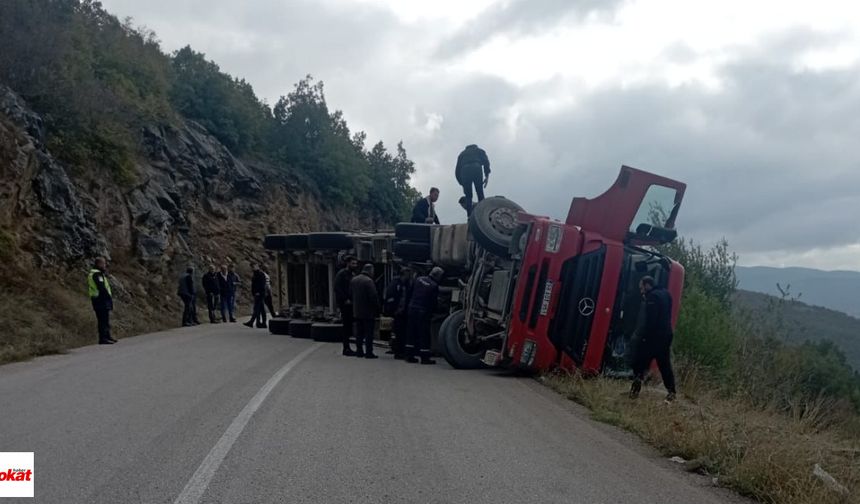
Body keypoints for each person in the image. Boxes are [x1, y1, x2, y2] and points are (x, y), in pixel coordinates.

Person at [629, 276, 677, 402]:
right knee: (665, 365)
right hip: (667, 335)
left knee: (640, 362)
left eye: (641, 288)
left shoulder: (652, 298)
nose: (641, 291)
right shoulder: (666, 293)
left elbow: (650, 321)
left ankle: (634, 391)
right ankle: (672, 392)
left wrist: (643, 337)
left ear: (647, 285)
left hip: (654, 337)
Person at [405, 267, 443, 365]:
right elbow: (433, 302)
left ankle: (409, 355)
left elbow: (409, 292)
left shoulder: (418, 279)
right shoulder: (434, 286)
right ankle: (425, 358)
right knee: (424, 334)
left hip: (412, 308)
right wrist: (434, 312)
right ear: (437, 276)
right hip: (423, 311)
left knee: (411, 332)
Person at [350, 263, 380, 359]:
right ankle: (369, 352)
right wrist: (377, 308)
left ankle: (359, 351)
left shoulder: (354, 280)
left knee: (359, 333)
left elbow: (350, 293)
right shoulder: (369, 281)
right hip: (368, 312)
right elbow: (373, 296)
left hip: (357, 311)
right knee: (369, 334)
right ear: (370, 271)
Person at [384, 266, 413, 359]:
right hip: (397, 312)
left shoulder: (406, 284)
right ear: (404, 274)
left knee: (402, 333)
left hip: (404, 312)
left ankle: (401, 350)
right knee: (398, 332)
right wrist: (392, 310)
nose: (409, 276)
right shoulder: (395, 283)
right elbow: (391, 297)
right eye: (408, 274)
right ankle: (398, 351)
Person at [455, 144, 491, 216]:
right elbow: (486, 162)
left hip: (464, 171)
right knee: (480, 193)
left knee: (468, 196)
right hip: (476, 168)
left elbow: (457, 171)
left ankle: (469, 216)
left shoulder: (462, 154)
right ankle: (483, 214)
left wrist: (462, 183)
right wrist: (487, 175)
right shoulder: (479, 150)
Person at [88, 257, 116, 345]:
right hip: (100, 299)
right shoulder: (97, 274)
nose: (105, 265)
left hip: (99, 299)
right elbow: (101, 287)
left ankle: (107, 336)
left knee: (105, 319)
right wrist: (107, 297)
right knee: (102, 319)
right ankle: (103, 338)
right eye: (104, 264)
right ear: (99, 264)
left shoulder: (97, 274)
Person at [334, 256, 359, 356]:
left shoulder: (353, 274)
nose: (355, 265)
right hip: (345, 304)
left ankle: (351, 347)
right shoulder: (341, 274)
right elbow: (337, 288)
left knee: (350, 326)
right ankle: (346, 348)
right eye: (353, 263)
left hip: (352, 303)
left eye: (355, 263)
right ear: (348, 263)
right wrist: (345, 299)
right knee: (346, 326)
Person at [244, 264, 268, 328]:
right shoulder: (255, 274)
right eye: (252, 267)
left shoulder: (260, 274)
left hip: (259, 294)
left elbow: (261, 284)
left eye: (254, 267)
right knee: (261, 309)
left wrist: (258, 292)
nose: (253, 268)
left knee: (256, 308)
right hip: (257, 293)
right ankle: (261, 323)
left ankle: (252, 322)